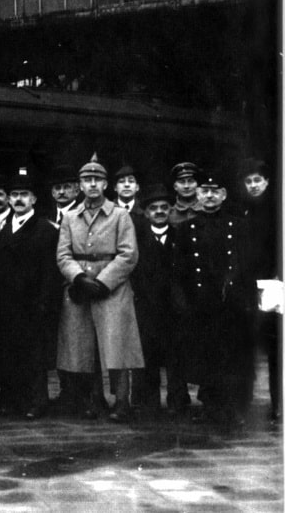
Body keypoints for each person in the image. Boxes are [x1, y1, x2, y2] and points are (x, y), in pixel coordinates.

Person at [56, 154, 143, 422]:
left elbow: (128, 255)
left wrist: (104, 282)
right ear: (79, 185)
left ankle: (122, 402)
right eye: (86, 180)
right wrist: (79, 278)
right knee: (84, 347)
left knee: (117, 346)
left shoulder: (120, 216)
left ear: (106, 185)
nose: (92, 184)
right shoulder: (70, 218)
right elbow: (63, 255)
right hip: (81, 289)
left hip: (112, 289)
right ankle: (94, 399)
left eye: (97, 180)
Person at [173, 170, 255, 427]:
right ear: (197, 194)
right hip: (201, 302)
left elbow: (247, 265)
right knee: (205, 353)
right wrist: (184, 302)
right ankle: (209, 406)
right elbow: (180, 269)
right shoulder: (187, 229)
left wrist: (246, 299)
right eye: (204, 191)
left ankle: (232, 407)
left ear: (223, 195)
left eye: (214, 191)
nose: (209, 196)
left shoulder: (238, 225)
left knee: (231, 355)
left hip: (230, 302)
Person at [0, 174, 59, 419]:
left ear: (34, 199)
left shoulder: (45, 230)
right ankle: (9, 397)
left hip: (33, 303)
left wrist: (44, 302)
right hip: (6, 303)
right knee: (8, 352)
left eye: (23, 195)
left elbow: (50, 270)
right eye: (14, 195)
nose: (18, 200)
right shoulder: (5, 228)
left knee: (34, 354)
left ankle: (37, 401)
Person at [129, 184, 181, 416]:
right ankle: (146, 402)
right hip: (145, 306)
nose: (159, 211)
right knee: (146, 355)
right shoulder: (136, 241)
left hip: (174, 308)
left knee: (175, 357)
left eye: (164, 207)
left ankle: (177, 401)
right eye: (154, 208)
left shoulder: (181, 238)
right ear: (146, 213)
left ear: (170, 210)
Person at [239, 159, 280, 422]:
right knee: (245, 343)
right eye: (249, 181)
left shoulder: (278, 209)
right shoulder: (242, 211)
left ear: (266, 182)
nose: (254, 185)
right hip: (247, 284)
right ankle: (244, 399)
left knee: (275, 346)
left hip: (274, 284)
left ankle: (278, 402)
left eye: (258, 180)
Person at [45, 164, 81, 230]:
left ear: (77, 191)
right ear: (53, 193)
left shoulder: (82, 214)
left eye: (67, 187)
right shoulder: (46, 217)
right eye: (57, 188)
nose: (61, 192)